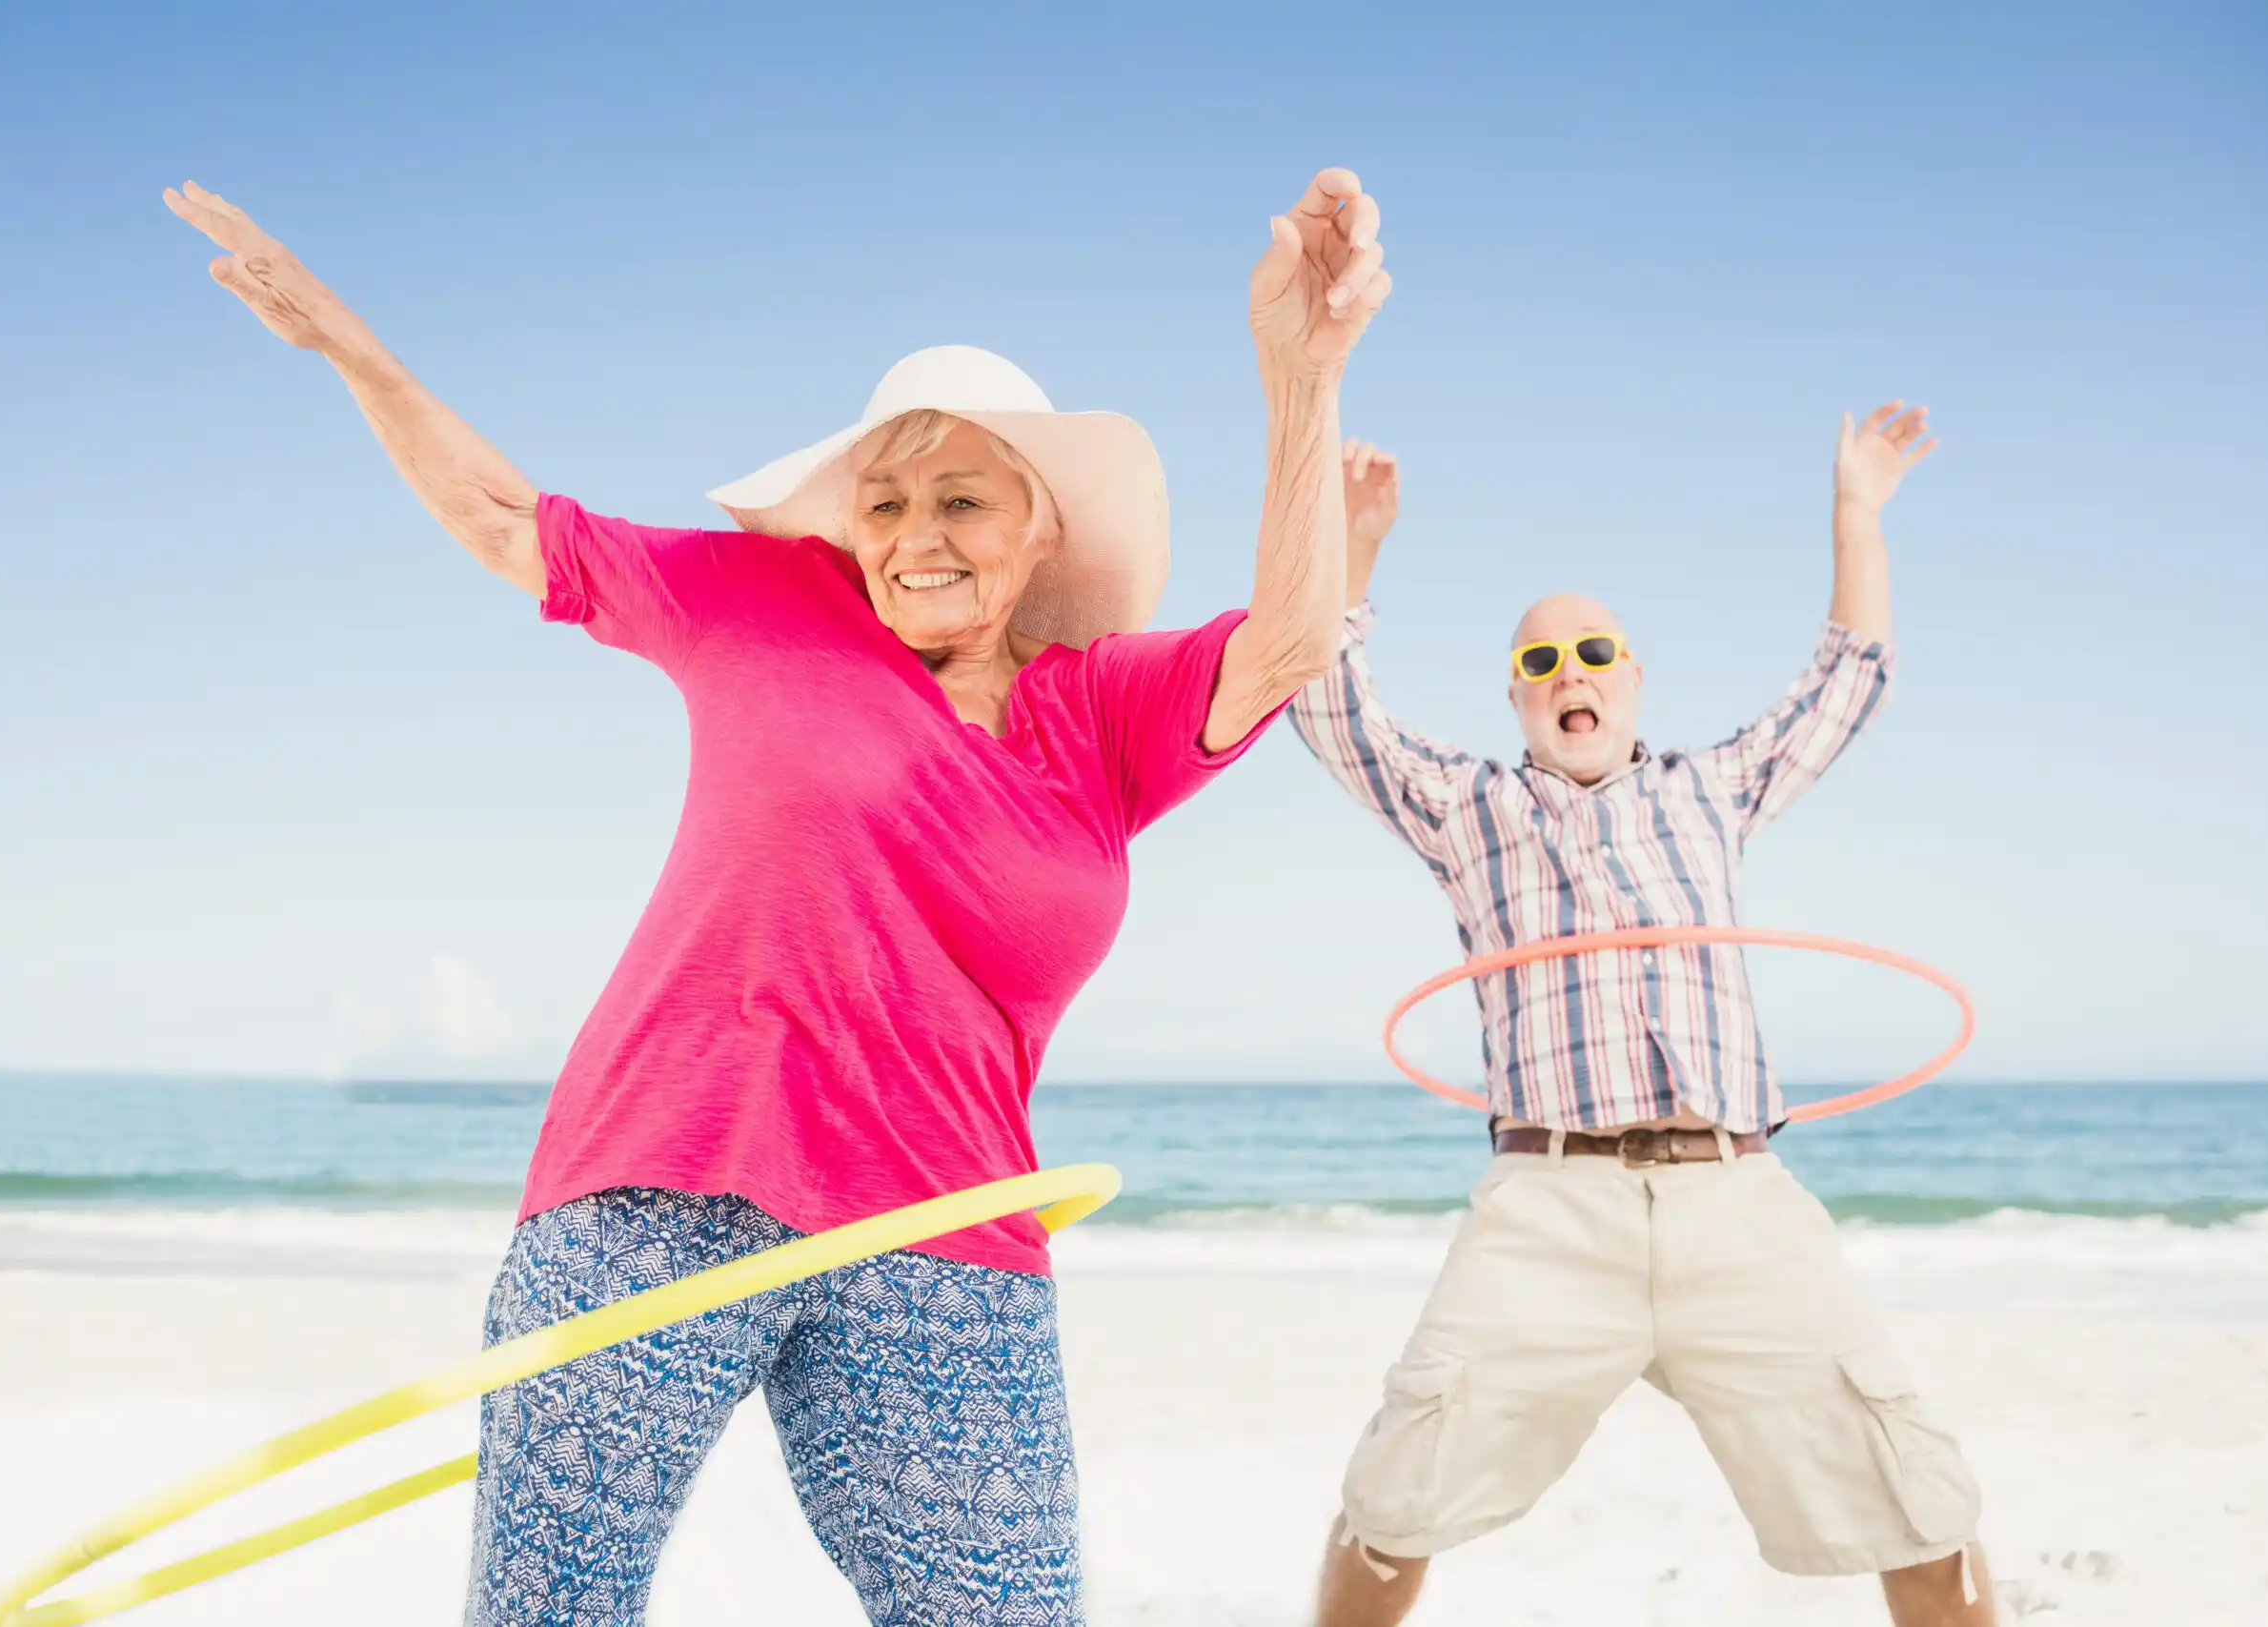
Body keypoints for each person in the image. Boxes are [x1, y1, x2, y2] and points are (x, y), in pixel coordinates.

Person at [164, 170, 1389, 1626]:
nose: (915, 533)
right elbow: (508, 520)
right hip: (659, 1194)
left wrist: (1301, 373)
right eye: (884, 500)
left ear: (1043, 530)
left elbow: (1295, 635)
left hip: (950, 1237)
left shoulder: (1104, 712)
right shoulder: (768, 603)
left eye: (960, 499)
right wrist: (349, 347)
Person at [1289, 415, 1996, 1626]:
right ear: (1516, 698)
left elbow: (1847, 680)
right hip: (1549, 1209)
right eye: (1541, 660)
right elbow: (1325, 709)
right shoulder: (1472, 813)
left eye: (1593, 650)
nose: (1570, 671)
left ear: (1631, 678)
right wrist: (1355, 554)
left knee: (1920, 1506)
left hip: (1736, 1197)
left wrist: (1857, 513)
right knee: (1391, 1505)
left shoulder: (1711, 790)